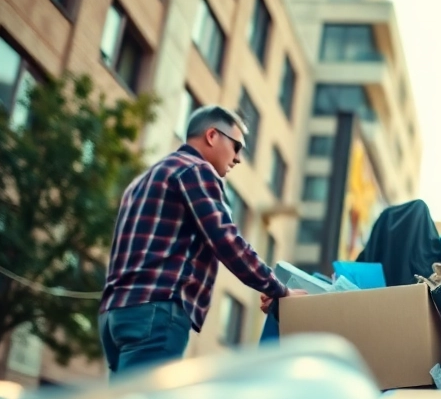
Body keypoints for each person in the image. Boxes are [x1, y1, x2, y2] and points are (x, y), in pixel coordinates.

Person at [99, 105, 305, 378]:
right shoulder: (196, 170)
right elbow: (226, 240)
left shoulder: (141, 181)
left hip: (115, 315)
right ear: (211, 136)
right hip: (157, 312)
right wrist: (280, 290)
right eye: (236, 147)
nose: (238, 159)